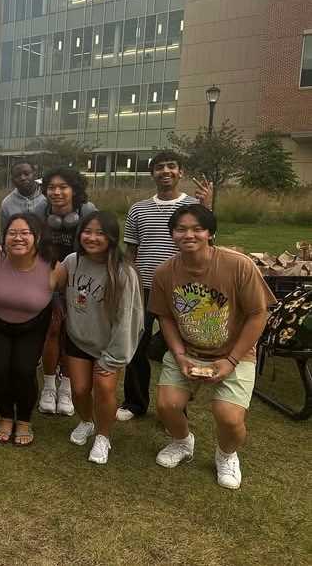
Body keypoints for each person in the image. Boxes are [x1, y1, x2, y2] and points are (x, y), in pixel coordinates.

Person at [150, 205, 274, 490]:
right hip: (188, 350)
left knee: (228, 418)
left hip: (235, 353)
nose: (188, 235)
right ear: (172, 234)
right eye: (181, 229)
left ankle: (226, 455)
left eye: (197, 228)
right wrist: (179, 355)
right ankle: (182, 442)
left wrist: (231, 360)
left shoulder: (238, 265)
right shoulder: (165, 272)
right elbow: (165, 316)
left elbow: (258, 314)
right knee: (167, 406)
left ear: (210, 233)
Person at [117, 151, 212, 421]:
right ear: (153, 173)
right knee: (136, 345)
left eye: (172, 166)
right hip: (145, 287)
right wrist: (130, 282)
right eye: (160, 167)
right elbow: (130, 251)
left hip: (183, 290)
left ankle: (177, 407)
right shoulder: (138, 208)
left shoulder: (195, 206)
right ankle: (134, 403)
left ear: (180, 172)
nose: (166, 171)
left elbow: (208, 246)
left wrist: (208, 209)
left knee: (180, 348)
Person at [57, 212, 144, 464]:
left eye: (99, 233)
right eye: (87, 231)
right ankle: (86, 421)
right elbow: (51, 281)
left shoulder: (123, 272)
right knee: (80, 389)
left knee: (105, 389)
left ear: (111, 237)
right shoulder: (72, 261)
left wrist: (115, 356)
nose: (92, 238)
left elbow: (129, 318)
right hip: (78, 338)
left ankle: (103, 436)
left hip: (109, 344)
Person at [0, 214, 57, 446]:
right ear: (4, 236)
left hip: (33, 325)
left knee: (24, 370)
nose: (18, 238)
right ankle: (5, 415)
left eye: (25, 233)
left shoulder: (53, 265)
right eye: (12, 233)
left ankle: (25, 419)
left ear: (37, 237)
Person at [35, 167, 97, 417]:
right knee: (51, 329)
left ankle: (67, 387)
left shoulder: (87, 211)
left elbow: (96, 244)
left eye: (63, 187)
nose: (57, 192)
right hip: (48, 278)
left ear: (74, 189)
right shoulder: (40, 212)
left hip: (79, 279)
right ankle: (49, 385)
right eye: (52, 187)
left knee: (73, 333)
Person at [0, 159, 45, 229]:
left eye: (26, 174)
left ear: (35, 175)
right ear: (12, 180)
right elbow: (5, 234)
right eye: (17, 175)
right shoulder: (7, 204)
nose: (22, 178)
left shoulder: (47, 197)